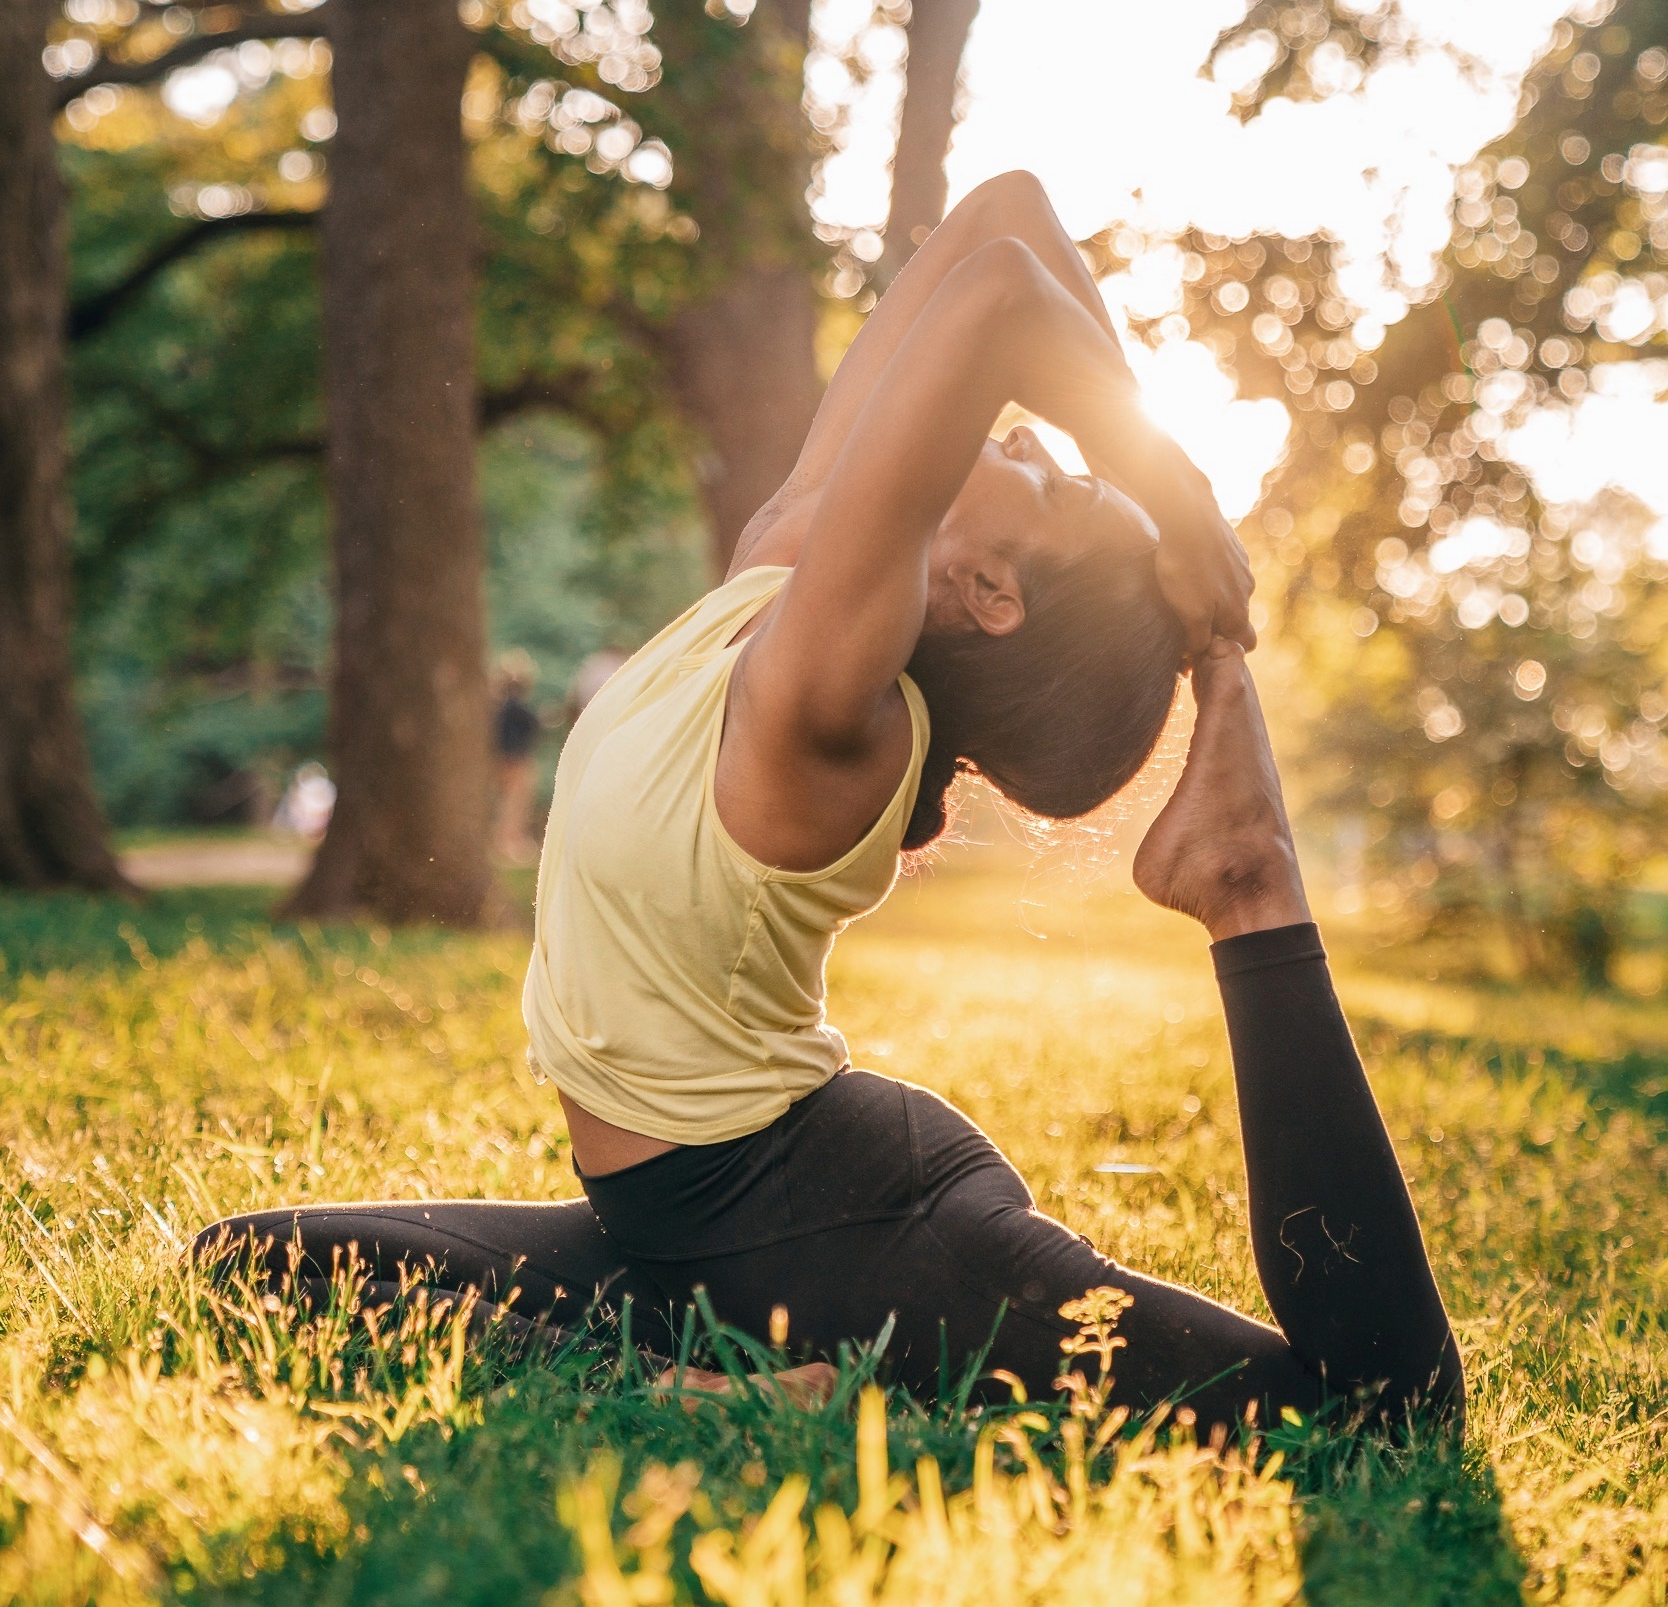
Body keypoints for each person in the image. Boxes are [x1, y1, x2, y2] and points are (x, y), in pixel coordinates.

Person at [198, 172, 1462, 1436]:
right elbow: (1004, 214)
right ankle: (699, 1375)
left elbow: (1007, 301)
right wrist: (1153, 500)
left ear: (989, 591)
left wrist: (1174, 509)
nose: (1035, 437)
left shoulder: (823, 708)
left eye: (1061, 488)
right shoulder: (786, 557)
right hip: (672, 1237)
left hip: (847, 1237)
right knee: (254, 1265)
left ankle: (1248, 878)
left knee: (1373, 1413)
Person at [491, 653, 543, 866]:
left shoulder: (499, 708)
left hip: (503, 758)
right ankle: (508, 843)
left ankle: (507, 842)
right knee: (514, 804)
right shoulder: (515, 709)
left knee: (509, 803)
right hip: (515, 759)